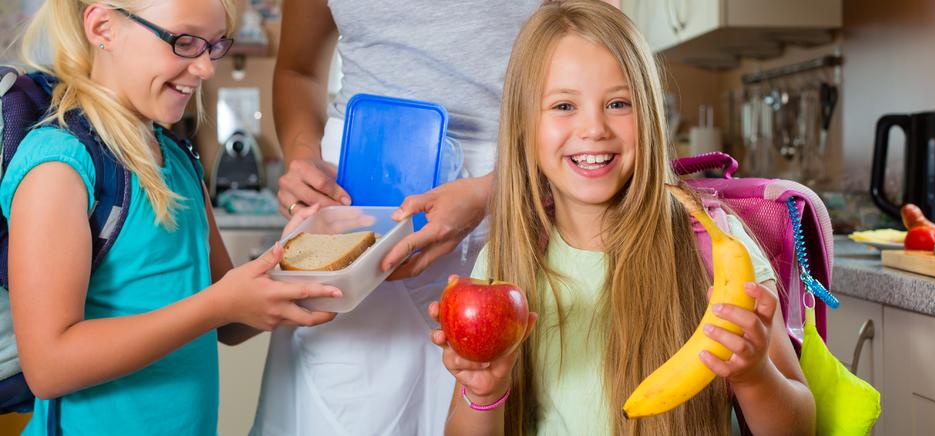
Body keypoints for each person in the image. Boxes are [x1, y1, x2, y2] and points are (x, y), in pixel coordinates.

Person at [430, 1, 816, 435]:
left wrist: (754, 374)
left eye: (618, 103)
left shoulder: (717, 245)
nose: (594, 128)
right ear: (524, 126)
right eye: (562, 106)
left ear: (649, 114)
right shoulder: (503, 268)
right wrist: (484, 394)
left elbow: (799, 426)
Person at [3, 0, 340, 433]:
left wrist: (309, 266)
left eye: (213, 46)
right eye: (184, 42)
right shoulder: (60, 165)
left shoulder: (178, 160)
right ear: (103, 27)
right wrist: (217, 306)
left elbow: (230, 320)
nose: (204, 68)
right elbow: (49, 367)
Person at [250, 1, 550, 435]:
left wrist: (496, 191)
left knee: (496, 402)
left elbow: (600, 54)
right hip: (356, 200)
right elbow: (298, 70)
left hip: (516, 194)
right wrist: (304, 160)